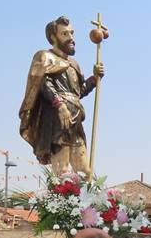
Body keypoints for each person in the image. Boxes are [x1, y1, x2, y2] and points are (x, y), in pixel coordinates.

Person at [18, 15, 105, 174]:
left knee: (86, 171)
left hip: (75, 118)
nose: (71, 37)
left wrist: (94, 79)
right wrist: (59, 104)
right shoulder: (44, 57)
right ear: (53, 37)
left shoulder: (74, 64)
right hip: (57, 119)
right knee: (62, 170)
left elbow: (79, 92)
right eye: (65, 34)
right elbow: (42, 83)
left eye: (71, 33)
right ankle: (61, 198)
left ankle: (90, 198)